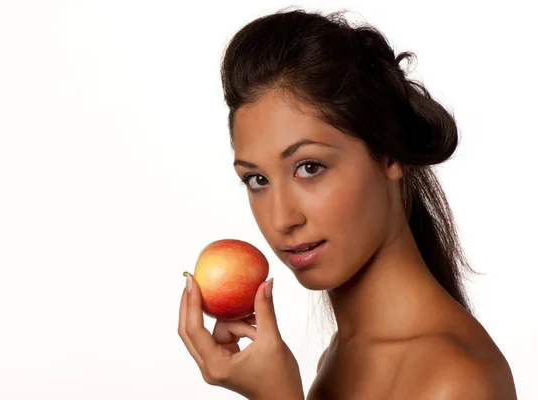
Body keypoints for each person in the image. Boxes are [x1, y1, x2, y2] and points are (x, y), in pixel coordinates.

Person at [178, 8, 517, 399]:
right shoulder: (338, 358)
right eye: (258, 180)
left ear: (390, 155)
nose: (281, 219)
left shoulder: (455, 382)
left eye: (309, 167)